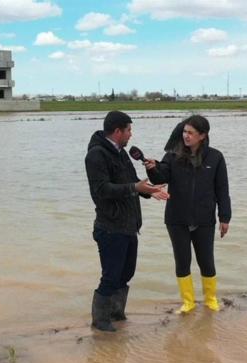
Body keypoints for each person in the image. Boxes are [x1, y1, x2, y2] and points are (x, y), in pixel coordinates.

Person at [85, 110, 169, 332]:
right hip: (110, 226)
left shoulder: (122, 153)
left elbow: (133, 182)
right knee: (111, 276)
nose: (131, 134)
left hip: (129, 226)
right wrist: (135, 188)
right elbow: (101, 189)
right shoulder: (96, 155)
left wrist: (150, 190)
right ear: (117, 131)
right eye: (129, 130)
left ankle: (117, 314)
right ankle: (100, 322)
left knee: (126, 273)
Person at [144, 115, 231, 313]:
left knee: (206, 261)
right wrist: (152, 168)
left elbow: (222, 190)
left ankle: (210, 300)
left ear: (202, 135)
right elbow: (161, 177)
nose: (186, 136)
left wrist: (224, 218)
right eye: (184, 132)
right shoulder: (173, 156)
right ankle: (188, 303)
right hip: (176, 219)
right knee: (182, 261)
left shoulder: (215, 157)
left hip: (204, 219)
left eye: (190, 133)